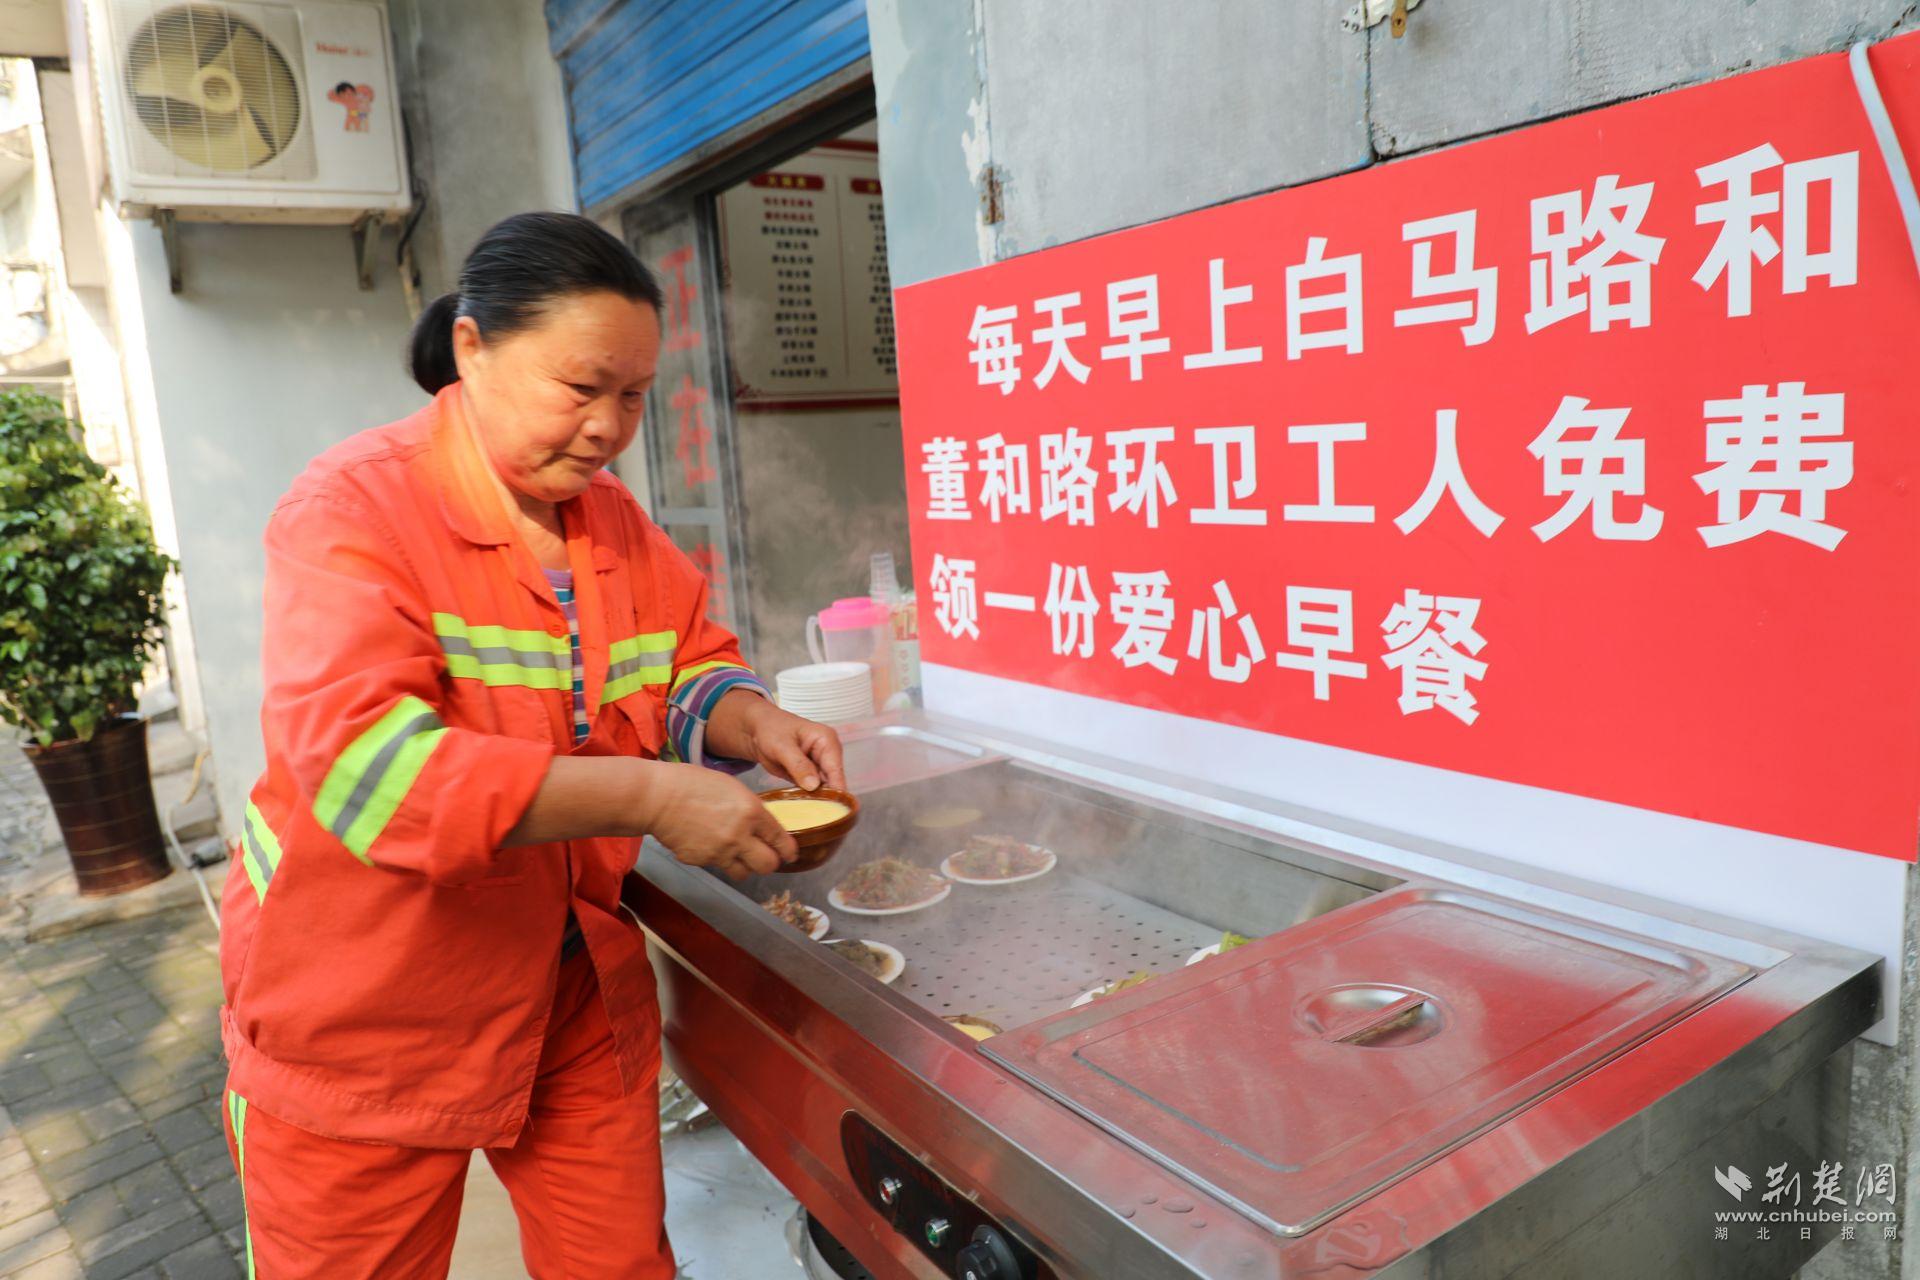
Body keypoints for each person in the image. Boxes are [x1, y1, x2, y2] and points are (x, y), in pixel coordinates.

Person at [216, 211, 844, 1278]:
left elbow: (686, 662)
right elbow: (375, 774)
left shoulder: (614, 521)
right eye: (581, 386)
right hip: (366, 1005)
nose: (608, 426)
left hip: (568, 986)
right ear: (472, 348)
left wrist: (753, 718)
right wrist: (651, 797)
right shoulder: (354, 509)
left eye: (634, 395)